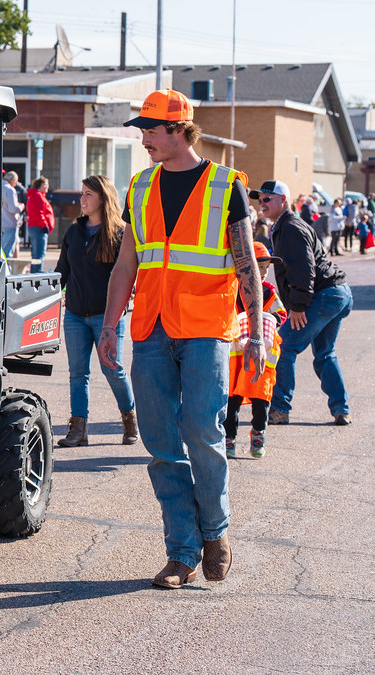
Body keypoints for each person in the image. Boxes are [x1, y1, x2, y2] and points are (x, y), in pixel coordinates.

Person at [97, 89, 264, 590]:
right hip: (150, 328)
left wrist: (255, 330)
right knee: (163, 446)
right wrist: (109, 326)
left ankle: (215, 532)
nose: (143, 137)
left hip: (205, 330)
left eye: (150, 129)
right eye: (142, 129)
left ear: (178, 130)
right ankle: (182, 552)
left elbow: (246, 262)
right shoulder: (140, 186)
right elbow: (127, 262)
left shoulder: (225, 186)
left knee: (203, 434)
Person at [254, 179, 353, 426]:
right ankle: (341, 409)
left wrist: (298, 307)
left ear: (282, 201)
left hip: (325, 294)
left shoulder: (289, 227)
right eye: (259, 199)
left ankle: (279, 409)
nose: (262, 203)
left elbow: (304, 270)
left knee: (284, 345)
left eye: (268, 198)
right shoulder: (286, 226)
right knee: (325, 353)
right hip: (336, 293)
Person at [55, 175, 138, 448]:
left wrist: (116, 316)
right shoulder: (73, 232)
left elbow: (127, 276)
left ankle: (129, 419)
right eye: (82, 193)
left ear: (103, 198)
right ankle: (79, 429)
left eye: (88, 194)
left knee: (113, 369)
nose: (82, 199)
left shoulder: (119, 235)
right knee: (78, 374)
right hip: (75, 315)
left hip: (108, 317)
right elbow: (61, 273)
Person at [224, 242, 287, 459]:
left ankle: (258, 433)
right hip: (235, 356)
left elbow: (281, 313)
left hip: (262, 357)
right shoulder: (232, 288)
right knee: (231, 398)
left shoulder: (268, 291)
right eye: (258, 267)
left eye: (266, 268)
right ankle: (228, 438)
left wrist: (272, 319)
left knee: (261, 397)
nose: (262, 272)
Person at [26, 177, 54, 272]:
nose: (47, 186)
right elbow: (38, 212)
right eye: (45, 184)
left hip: (36, 226)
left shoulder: (37, 195)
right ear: (40, 185)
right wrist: (44, 225)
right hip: (39, 227)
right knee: (39, 254)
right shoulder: (37, 196)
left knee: (36, 254)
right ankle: (36, 276)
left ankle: (35, 274)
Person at [1, 171, 23, 258]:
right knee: (7, 252)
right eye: (16, 181)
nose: (16, 183)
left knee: (1, 250)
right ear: (12, 179)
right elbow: (13, 209)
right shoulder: (9, 189)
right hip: (9, 223)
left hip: (0, 222)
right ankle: (7, 270)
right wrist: (21, 207)